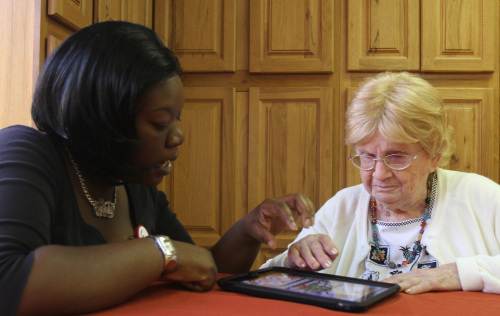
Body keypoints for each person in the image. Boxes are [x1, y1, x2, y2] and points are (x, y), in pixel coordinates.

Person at [0, 21, 316, 315]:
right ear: (103, 119)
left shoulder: (134, 185)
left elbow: (200, 268)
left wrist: (249, 230)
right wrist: (159, 252)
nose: (178, 136)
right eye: (160, 122)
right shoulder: (26, 153)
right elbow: (8, 280)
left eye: (175, 119)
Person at [261, 71, 500, 295]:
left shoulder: (480, 196)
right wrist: (293, 262)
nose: (379, 173)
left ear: (435, 153)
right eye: (367, 156)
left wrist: (456, 273)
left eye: (396, 156)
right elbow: (267, 278)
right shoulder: (343, 205)